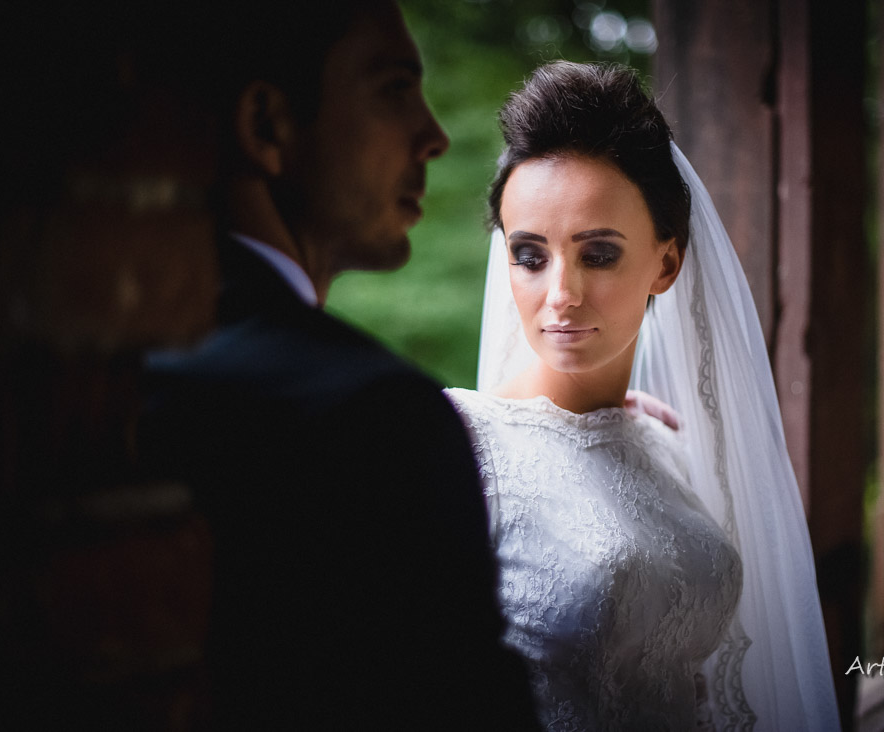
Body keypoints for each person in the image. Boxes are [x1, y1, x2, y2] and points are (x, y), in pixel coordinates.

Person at [137, 2, 537, 727]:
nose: (435, 136)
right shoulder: (376, 417)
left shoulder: (105, 364)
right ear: (267, 125)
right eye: (394, 88)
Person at [445, 61, 841, 730]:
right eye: (530, 256)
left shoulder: (663, 443)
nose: (561, 294)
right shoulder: (458, 445)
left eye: (598, 254)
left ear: (666, 262)